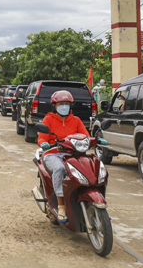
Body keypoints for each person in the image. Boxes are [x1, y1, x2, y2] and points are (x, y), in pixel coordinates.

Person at [38, 90, 107, 223]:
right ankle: (61, 205)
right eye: (61, 104)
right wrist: (44, 144)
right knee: (59, 169)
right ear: (54, 105)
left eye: (67, 103)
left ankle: (97, 203)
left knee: (94, 167)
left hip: (74, 154)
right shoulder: (48, 119)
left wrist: (96, 140)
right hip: (53, 154)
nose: (64, 106)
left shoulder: (76, 120)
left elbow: (85, 135)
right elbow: (42, 137)